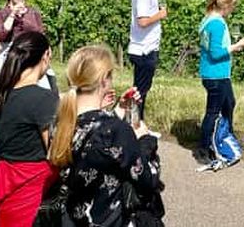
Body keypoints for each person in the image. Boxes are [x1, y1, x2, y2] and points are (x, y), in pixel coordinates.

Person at [50, 45, 163, 227]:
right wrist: (144, 141)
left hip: (71, 218)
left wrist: (118, 110)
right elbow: (147, 179)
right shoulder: (114, 131)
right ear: (104, 80)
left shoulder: (61, 121)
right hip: (106, 219)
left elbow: (93, 141)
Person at [0, 31, 58, 226]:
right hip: (30, 189)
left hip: (4, 183)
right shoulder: (43, 99)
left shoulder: (5, 94)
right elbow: (55, 152)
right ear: (45, 55)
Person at [197, 0, 244, 161]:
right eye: (232, 6)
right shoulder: (217, 24)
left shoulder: (207, 19)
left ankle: (225, 136)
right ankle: (205, 147)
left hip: (213, 73)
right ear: (226, 6)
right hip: (216, 75)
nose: (233, 10)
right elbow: (216, 53)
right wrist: (237, 46)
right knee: (213, 112)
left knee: (229, 103)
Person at [129, 0, 169, 126]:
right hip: (144, 49)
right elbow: (143, 21)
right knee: (140, 92)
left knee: (140, 90)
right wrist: (160, 15)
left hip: (146, 47)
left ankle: (136, 124)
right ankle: (136, 126)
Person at [0, 0, 44, 87]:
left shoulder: (33, 12)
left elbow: (40, 32)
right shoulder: (1, 14)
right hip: (9, 51)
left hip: (31, 50)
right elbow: (1, 34)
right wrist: (13, 14)